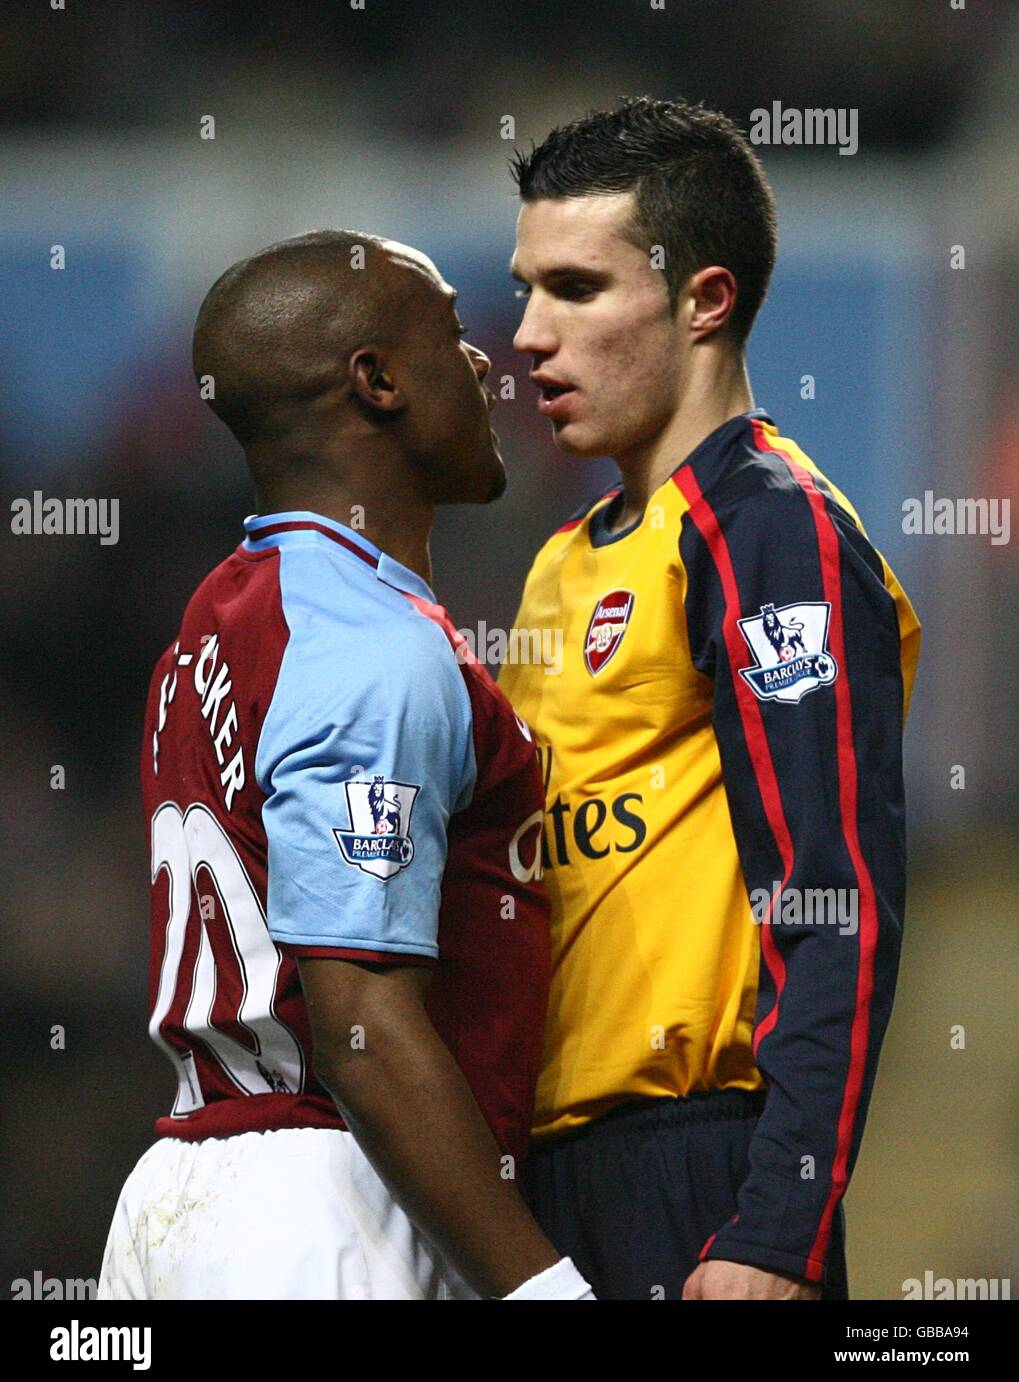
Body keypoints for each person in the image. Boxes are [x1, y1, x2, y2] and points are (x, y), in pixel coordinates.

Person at [96, 229, 593, 1301]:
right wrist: (543, 1289)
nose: (485, 364)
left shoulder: (215, 620)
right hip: (321, 1201)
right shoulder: (367, 644)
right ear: (375, 382)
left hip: (182, 1184)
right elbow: (362, 1027)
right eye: (454, 336)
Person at [499, 98, 921, 1301]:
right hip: (550, 1177)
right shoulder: (561, 560)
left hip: (698, 1172)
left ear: (703, 300)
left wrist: (775, 1226)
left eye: (575, 289)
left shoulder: (765, 528)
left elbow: (835, 893)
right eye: (526, 288)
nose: (528, 335)